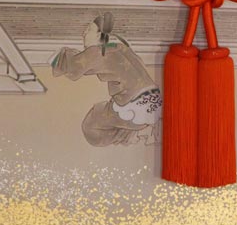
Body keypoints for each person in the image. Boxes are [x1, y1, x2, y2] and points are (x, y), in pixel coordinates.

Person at [52, 13, 162, 147]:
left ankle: (131, 135)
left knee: (91, 125)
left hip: (133, 105)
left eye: (88, 30)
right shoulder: (121, 48)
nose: (83, 34)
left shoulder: (97, 52)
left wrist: (57, 58)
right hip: (154, 101)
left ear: (99, 35)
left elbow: (75, 66)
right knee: (102, 115)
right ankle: (136, 131)